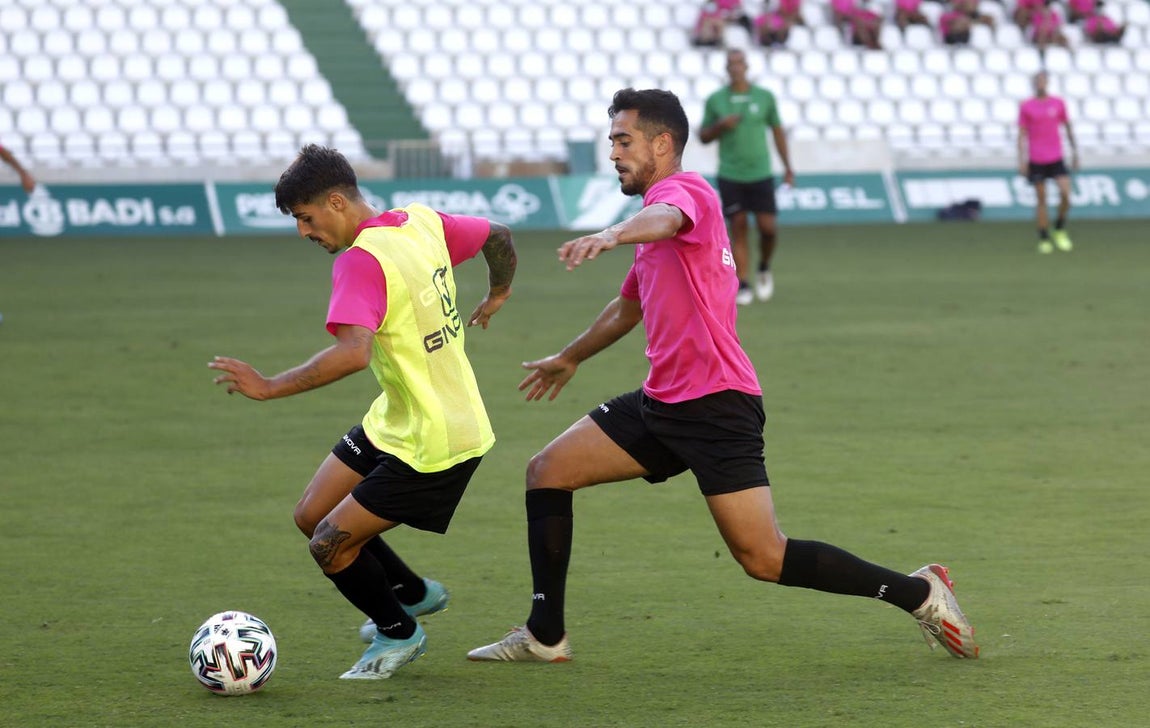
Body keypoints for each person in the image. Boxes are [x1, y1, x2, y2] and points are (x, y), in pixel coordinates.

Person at [466, 88, 979, 665]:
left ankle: (920, 592)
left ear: (663, 144)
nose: (613, 153)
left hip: (716, 405)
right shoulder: (656, 221)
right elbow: (627, 309)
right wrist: (572, 356)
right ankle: (545, 634)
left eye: (623, 140)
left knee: (763, 558)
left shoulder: (686, 195)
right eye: (612, 141)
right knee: (547, 471)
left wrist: (612, 233)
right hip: (662, 403)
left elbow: (665, 218)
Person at [208, 144, 517, 679]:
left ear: (335, 201)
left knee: (329, 545)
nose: (304, 232)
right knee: (310, 517)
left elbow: (354, 353)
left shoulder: (360, 260)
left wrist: (269, 387)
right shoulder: (420, 222)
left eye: (306, 219)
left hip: (437, 442)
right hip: (398, 418)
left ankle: (400, 634)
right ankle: (414, 594)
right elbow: (499, 236)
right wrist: (499, 291)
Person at [699, 50, 795, 306]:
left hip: (760, 173)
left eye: (739, 63)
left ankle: (763, 266)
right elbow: (703, 136)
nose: (735, 68)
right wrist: (720, 126)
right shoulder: (716, 100)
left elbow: (777, 132)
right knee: (738, 226)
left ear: (747, 66)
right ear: (726, 68)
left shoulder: (764, 97)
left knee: (768, 229)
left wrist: (788, 167)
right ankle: (742, 281)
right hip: (730, 173)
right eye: (731, 64)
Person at [1018, 72, 1078, 254]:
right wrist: (1022, 160)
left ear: (1047, 83)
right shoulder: (1027, 106)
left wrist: (1075, 152)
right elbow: (1021, 134)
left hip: (1056, 157)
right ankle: (1044, 237)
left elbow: (1067, 127)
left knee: (1066, 195)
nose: (1041, 84)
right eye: (1038, 81)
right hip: (1037, 158)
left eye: (1043, 81)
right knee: (1041, 199)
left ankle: (1059, 228)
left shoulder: (1058, 103)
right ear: (1034, 84)